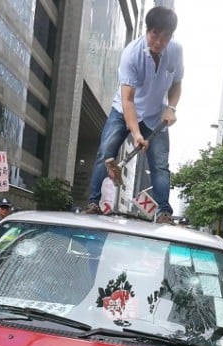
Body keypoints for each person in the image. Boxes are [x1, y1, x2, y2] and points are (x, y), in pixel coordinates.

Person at [85, 6, 182, 224]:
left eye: (165, 36)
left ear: (171, 36)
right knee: (105, 153)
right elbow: (128, 100)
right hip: (123, 111)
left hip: (156, 114)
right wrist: (137, 135)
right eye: (155, 33)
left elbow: (176, 84)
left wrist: (171, 107)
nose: (159, 41)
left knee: (160, 164)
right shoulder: (132, 54)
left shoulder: (176, 52)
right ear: (148, 30)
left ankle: (164, 212)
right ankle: (93, 202)